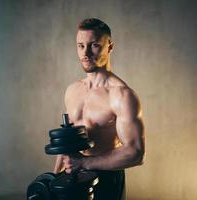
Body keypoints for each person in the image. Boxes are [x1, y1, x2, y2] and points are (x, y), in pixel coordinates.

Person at [53, 18, 145, 200]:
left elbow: (135, 153)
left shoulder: (122, 95)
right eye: (80, 46)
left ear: (110, 46)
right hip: (74, 178)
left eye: (94, 45)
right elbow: (67, 142)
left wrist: (83, 162)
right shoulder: (72, 90)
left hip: (106, 179)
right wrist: (54, 179)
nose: (85, 53)